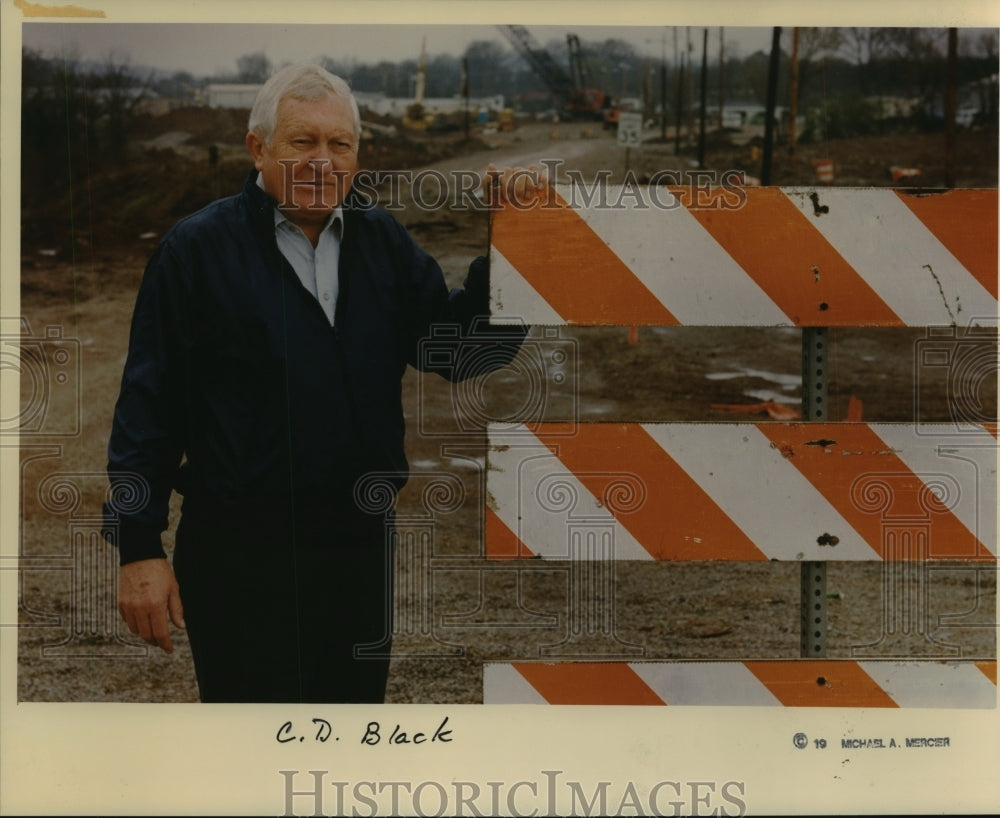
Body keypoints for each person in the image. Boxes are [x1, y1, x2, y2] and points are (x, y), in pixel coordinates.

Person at [102, 63, 536, 703]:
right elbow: (149, 408)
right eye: (303, 142)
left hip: (355, 549)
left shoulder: (378, 240)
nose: (323, 161)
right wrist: (139, 547)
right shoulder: (196, 251)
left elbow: (461, 351)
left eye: (341, 145)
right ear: (259, 148)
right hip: (238, 552)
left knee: (346, 743)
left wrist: (516, 243)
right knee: (254, 751)